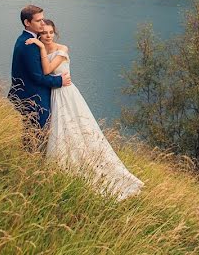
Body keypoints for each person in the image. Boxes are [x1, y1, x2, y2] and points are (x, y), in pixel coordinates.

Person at [27, 18, 143, 201]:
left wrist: (41, 48)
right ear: (39, 34)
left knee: (77, 128)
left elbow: (47, 70)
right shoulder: (36, 50)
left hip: (66, 94)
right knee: (60, 131)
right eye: (44, 33)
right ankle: (61, 168)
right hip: (54, 95)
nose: (48, 36)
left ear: (54, 32)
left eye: (51, 32)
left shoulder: (62, 49)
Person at [8, 4, 72, 148]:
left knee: (33, 134)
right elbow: (38, 77)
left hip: (31, 96)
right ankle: (31, 164)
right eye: (39, 21)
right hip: (33, 98)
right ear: (27, 22)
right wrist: (60, 80)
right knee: (38, 136)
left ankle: (30, 162)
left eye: (43, 19)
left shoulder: (30, 39)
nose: (43, 24)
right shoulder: (29, 44)